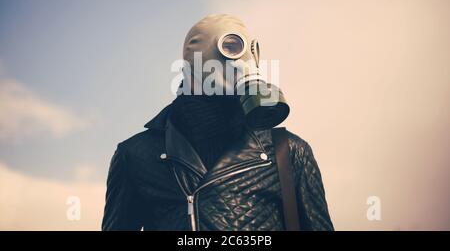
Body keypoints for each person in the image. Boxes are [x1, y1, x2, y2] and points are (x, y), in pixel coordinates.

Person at [102, 14, 334, 231]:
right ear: (193, 63)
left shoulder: (288, 152)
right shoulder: (135, 156)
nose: (244, 63)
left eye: (249, 53)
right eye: (231, 48)